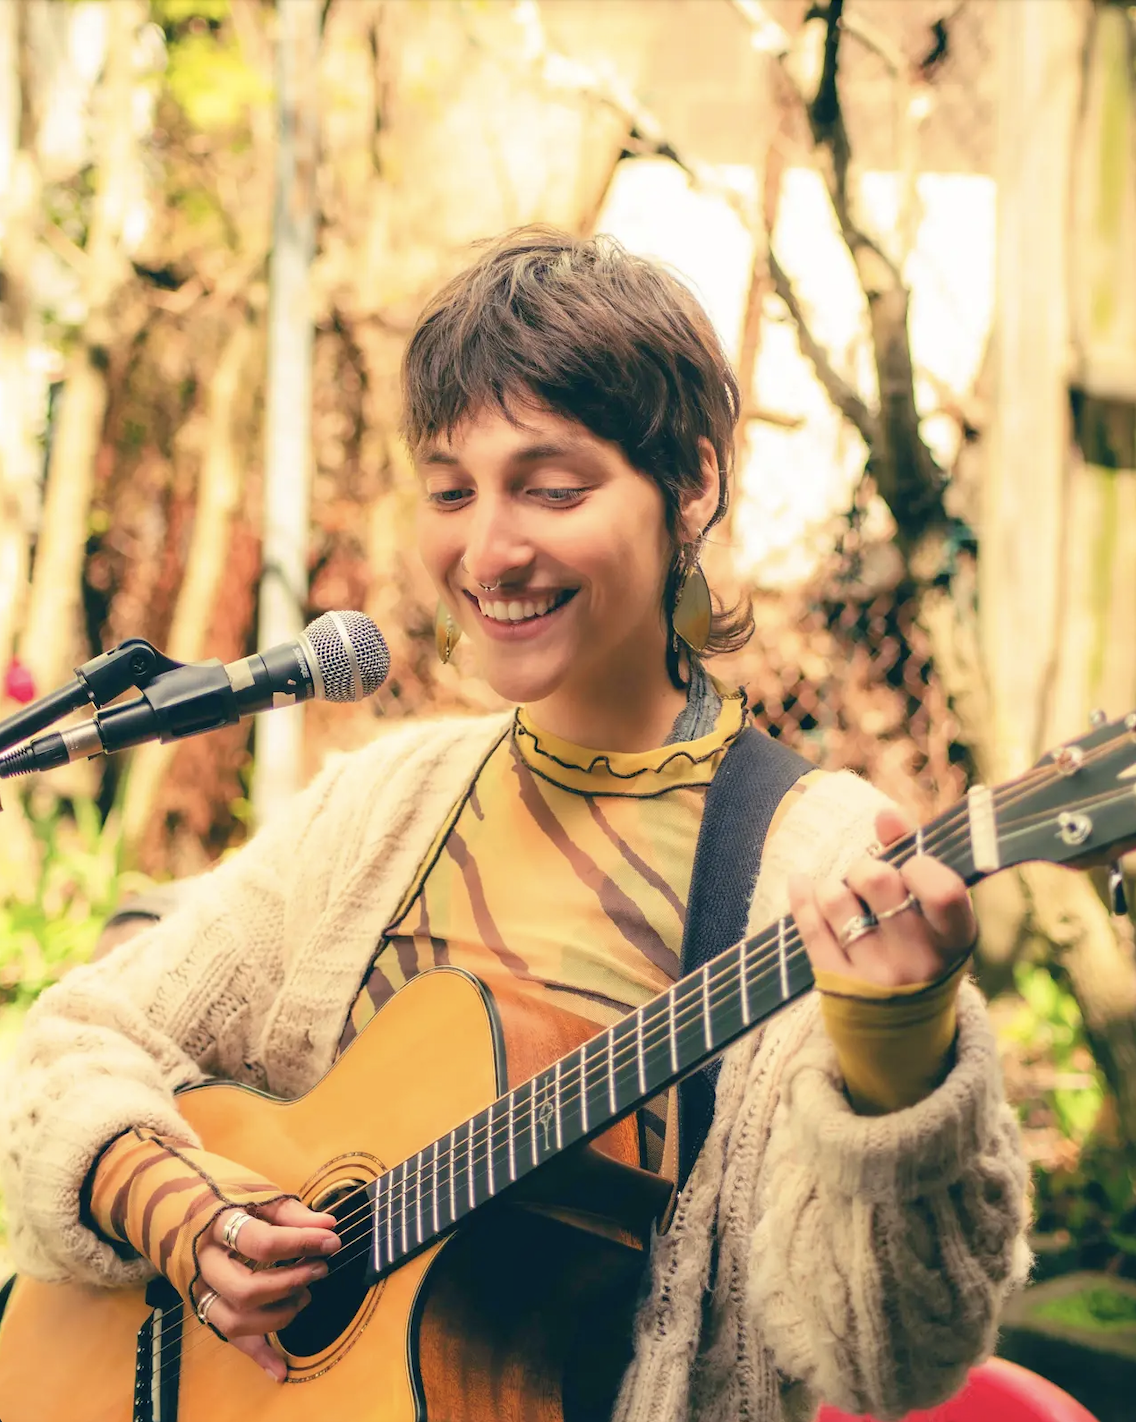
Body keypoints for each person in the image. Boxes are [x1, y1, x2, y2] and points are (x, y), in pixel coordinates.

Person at [0, 228, 1029, 1421]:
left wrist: (897, 1054)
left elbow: (887, 1361)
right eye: (450, 490)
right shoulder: (391, 803)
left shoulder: (821, 865)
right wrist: (179, 1209)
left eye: (551, 487)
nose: (486, 550)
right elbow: (73, 1042)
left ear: (690, 484)